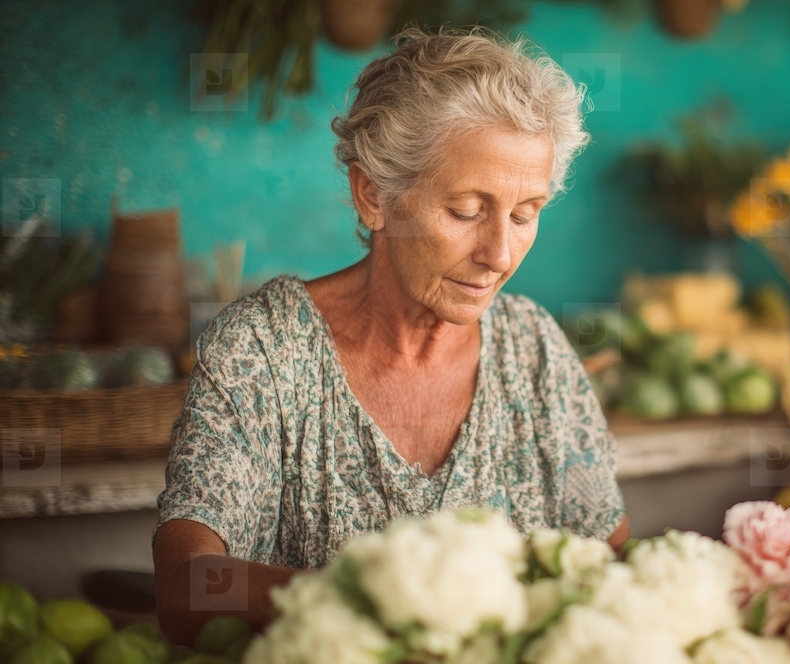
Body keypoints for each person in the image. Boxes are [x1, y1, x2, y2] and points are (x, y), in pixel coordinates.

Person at [152, 28, 629, 645]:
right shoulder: (264, 351)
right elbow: (185, 586)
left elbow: (617, 567)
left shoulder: (535, 350)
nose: (499, 254)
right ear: (373, 194)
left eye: (524, 213)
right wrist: (390, 595)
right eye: (465, 210)